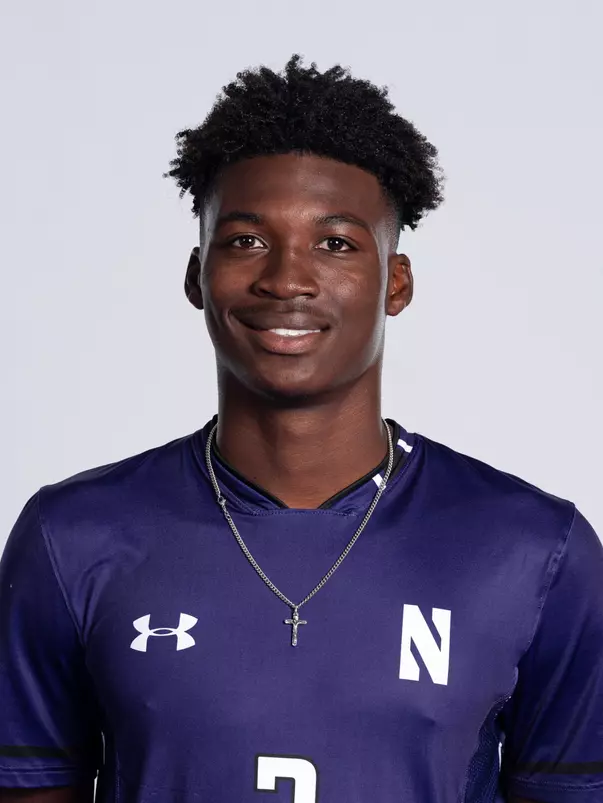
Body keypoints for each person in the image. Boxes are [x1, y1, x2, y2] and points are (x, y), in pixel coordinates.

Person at [0, 53, 601, 803]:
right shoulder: (72, 536)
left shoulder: (535, 550)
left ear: (397, 282)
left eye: (336, 243)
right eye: (246, 241)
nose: (286, 278)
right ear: (196, 275)